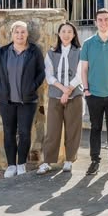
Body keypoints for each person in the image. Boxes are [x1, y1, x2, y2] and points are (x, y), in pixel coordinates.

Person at [0, 21, 45, 178]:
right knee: (8, 132)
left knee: (24, 132)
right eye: (17, 32)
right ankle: (11, 165)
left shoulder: (34, 51)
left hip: (27, 101)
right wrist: (0, 87)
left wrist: (32, 86)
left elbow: (41, 72)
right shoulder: (3, 52)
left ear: (27, 34)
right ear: (11, 34)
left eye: (23, 32)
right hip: (7, 100)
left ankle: (21, 164)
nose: (20, 35)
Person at [80, 8, 108, 175]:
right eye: (100, 20)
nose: (103, 23)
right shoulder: (88, 44)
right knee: (95, 128)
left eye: (106, 19)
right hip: (94, 94)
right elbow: (84, 70)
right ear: (95, 22)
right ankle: (94, 161)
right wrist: (86, 90)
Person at [38, 22, 84, 176]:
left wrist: (69, 89)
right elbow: (49, 76)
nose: (66, 34)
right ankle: (47, 162)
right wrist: (63, 90)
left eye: (69, 32)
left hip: (75, 95)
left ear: (74, 34)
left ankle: (69, 160)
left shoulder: (80, 52)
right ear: (59, 34)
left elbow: (80, 74)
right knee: (52, 129)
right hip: (55, 95)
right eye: (63, 31)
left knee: (73, 129)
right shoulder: (51, 53)